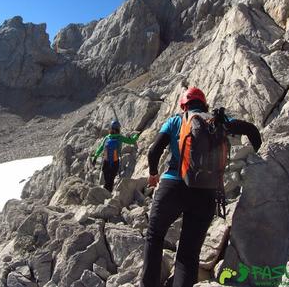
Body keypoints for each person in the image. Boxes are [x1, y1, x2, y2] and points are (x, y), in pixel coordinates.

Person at [141, 87, 262, 287]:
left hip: (173, 186)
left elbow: (154, 151)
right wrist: (260, 159)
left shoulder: (176, 121)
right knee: (189, 254)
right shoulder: (217, 121)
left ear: (183, 105)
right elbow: (251, 130)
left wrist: (153, 174)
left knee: (154, 236)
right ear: (204, 104)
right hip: (206, 192)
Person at [92, 120, 140, 192]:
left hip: (106, 161)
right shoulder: (120, 137)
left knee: (106, 179)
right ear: (118, 129)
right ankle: (109, 193)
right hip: (115, 161)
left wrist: (95, 157)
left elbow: (100, 148)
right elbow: (131, 141)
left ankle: (105, 192)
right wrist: (137, 135)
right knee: (111, 180)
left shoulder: (107, 138)